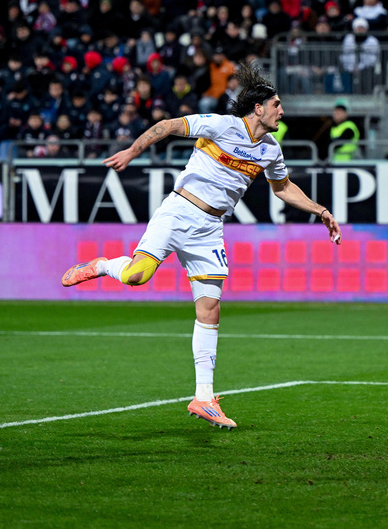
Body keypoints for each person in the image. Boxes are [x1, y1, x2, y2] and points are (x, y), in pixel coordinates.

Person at [61, 65, 342, 429]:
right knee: (136, 276)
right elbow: (168, 126)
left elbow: (283, 188)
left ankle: (204, 397)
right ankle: (101, 266)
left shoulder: (270, 150)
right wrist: (133, 150)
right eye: (276, 104)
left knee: (210, 310)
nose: (281, 111)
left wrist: (321, 210)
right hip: (179, 211)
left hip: (210, 228)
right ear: (258, 108)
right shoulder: (222, 125)